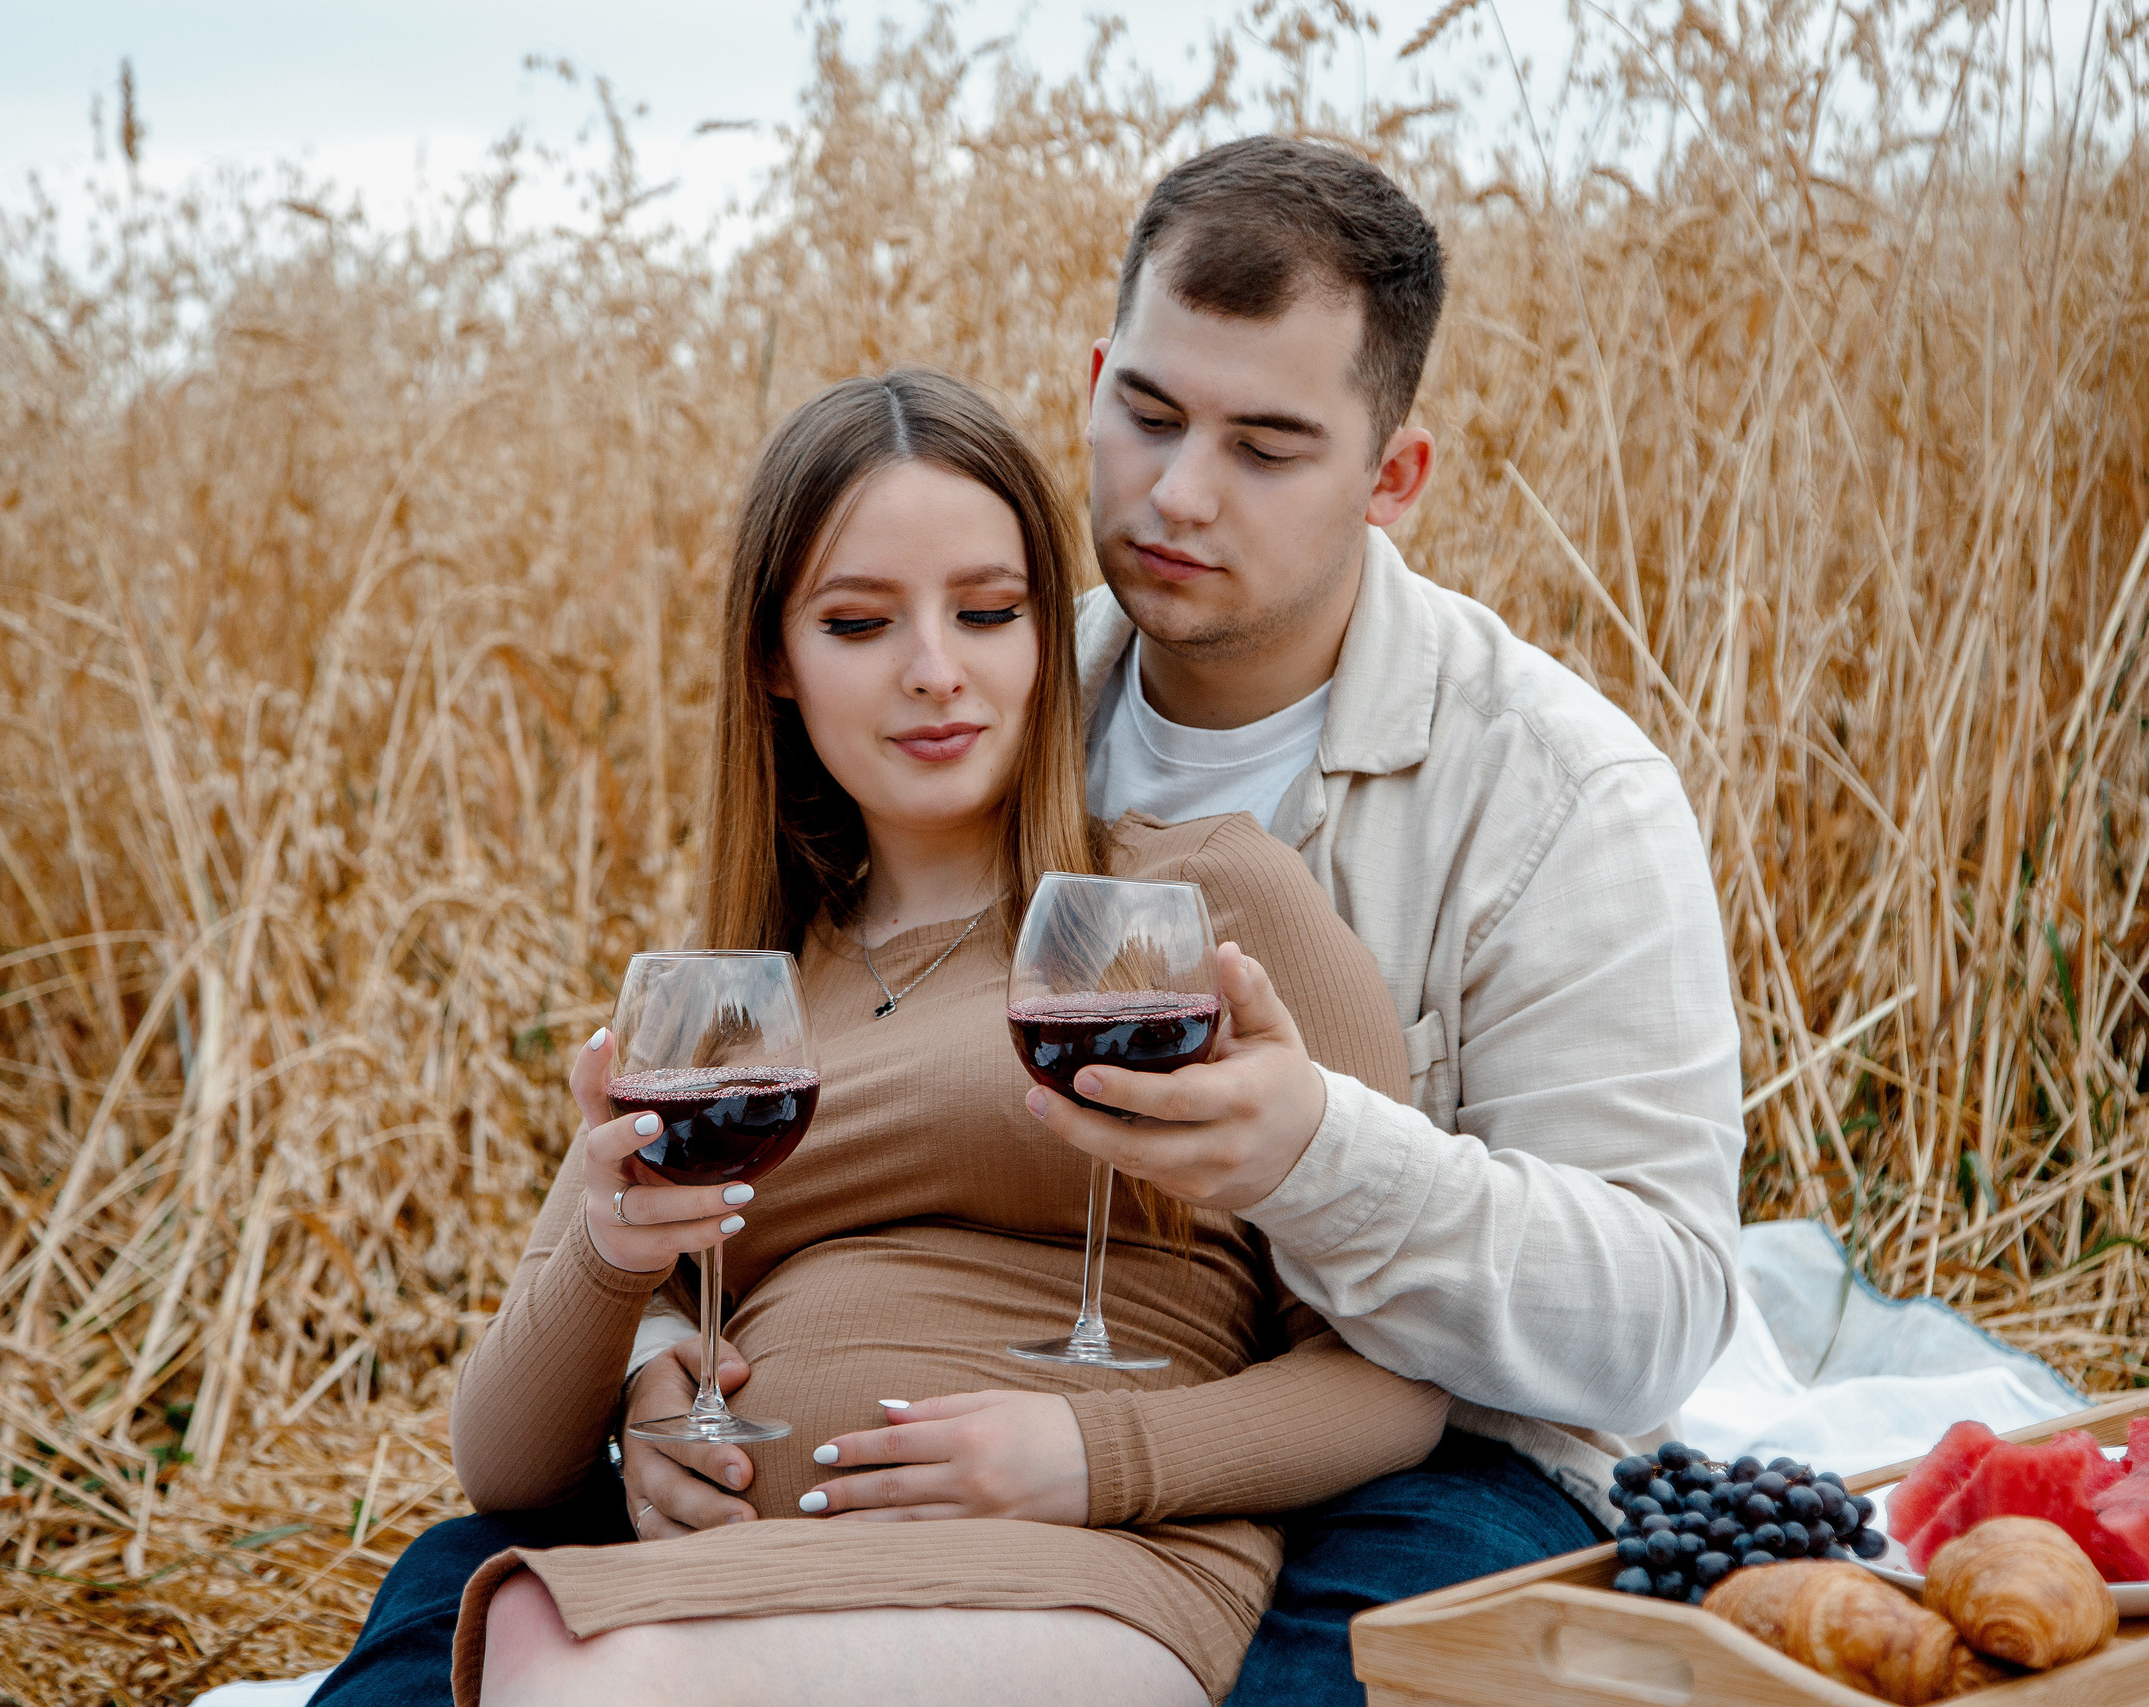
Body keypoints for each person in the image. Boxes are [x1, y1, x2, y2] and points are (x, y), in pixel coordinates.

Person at [310, 137, 1743, 1707]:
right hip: (833, 1494)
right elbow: (703, 1208)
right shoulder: (978, 688)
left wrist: (1310, 1158)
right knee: (446, 1608)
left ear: (1389, 479)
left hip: (1421, 1445)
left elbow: (1649, 1319)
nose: (1180, 493)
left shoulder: (1552, 792)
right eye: (1146, 415)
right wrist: (652, 1355)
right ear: (1092, 382)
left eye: (1266, 447)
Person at [435, 368, 1450, 1705]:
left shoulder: (1199, 911)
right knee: (527, 1640)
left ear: (1047, 635)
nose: (936, 674)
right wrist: (623, 1318)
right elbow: (502, 1465)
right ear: (774, 662)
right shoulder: (726, 1008)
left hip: (1072, 1572)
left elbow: (1400, 1379)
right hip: (726, 1584)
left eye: (988, 612)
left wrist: (1101, 1457)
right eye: (860, 623)